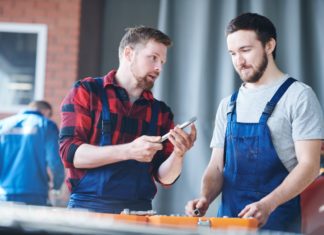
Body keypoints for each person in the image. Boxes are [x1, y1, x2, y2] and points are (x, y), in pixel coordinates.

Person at [185, 13, 324, 233]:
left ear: (269, 45)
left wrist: (268, 203)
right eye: (232, 53)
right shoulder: (228, 105)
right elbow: (216, 166)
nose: (238, 61)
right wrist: (205, 197)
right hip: (227, 225)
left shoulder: (299, 96)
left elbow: (309, 166)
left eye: (245, 50)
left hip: (280, 224)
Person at [59, 26, 197, 214]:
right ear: (129, 53)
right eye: (153, 58)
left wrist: (179, 154)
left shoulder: (161, 112)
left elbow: (165, 177)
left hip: (139, 214)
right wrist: (129, 151)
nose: (159, 67)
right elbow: (70, 154)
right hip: (87, 210)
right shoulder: (87, 92)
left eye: (162, 62)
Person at [0, 100, 64, 206]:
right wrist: (57, 186)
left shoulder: (3, 124)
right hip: (35, 193)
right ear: (46, 112)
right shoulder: (46, 124)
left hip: (4, 193)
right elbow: (55, 162)